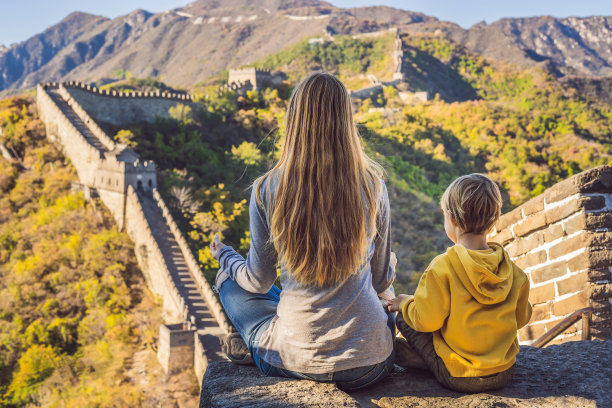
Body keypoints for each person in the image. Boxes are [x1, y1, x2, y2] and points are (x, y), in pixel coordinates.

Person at [209, 72, 396, 391]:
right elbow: (380, 281)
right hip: (371, 363)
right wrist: (389, 260)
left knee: (229, 282)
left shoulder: (266, 189)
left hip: (292, 360)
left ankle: (255, 346)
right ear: (346, 121)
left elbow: (258, 281)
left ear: (294, 121)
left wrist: (224, 256)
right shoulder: (372, 186)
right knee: (380, 295)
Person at [388, 173, 532, 393]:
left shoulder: (442, 266)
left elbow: (426, 321)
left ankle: (427, 361)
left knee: (405, 319)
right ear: (494, 220)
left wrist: (406, 303)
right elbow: (522, 318)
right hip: (505, 371)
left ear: (452, 220)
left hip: (460, 376)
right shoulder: (514, 272)